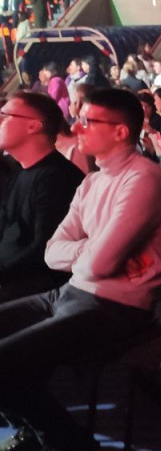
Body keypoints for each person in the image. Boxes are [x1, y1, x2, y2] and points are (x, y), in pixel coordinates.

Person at [0, 89, 161, 451]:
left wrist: (93, 253)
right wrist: (95, 249)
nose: (76, 127)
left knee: (6, 361)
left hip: (117, 308)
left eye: (88, 121)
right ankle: (31, 431)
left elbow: (99, 265)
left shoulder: (144, 179)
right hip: (71, 291)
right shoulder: (92, 181)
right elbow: (52, 253)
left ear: (120, 131)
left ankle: (70, 445)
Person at [0, 92, 84, 303]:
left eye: (5, 115)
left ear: (33, 125)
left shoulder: (59, 178)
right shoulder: (18, 171)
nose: (0, 121)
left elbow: (43, 250)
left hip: (37, 292)